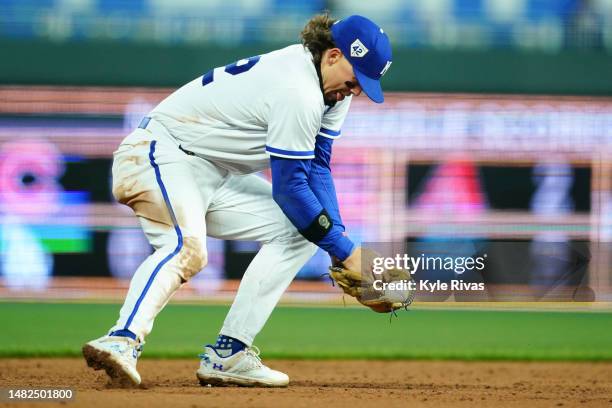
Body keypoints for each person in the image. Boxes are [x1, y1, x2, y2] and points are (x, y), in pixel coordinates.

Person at [82, 13, 392, 387]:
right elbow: (291, 188)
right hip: (160, 153)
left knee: (298, 233)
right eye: (356, 80)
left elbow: (318, 167)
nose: (355, 91)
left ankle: (229, 355)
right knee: (186, 248)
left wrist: (339, 242)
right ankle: (121, 340)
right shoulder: (299, 90)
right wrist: (345, 251)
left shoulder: (329, 90)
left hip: (213, 171)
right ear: (332, 55)